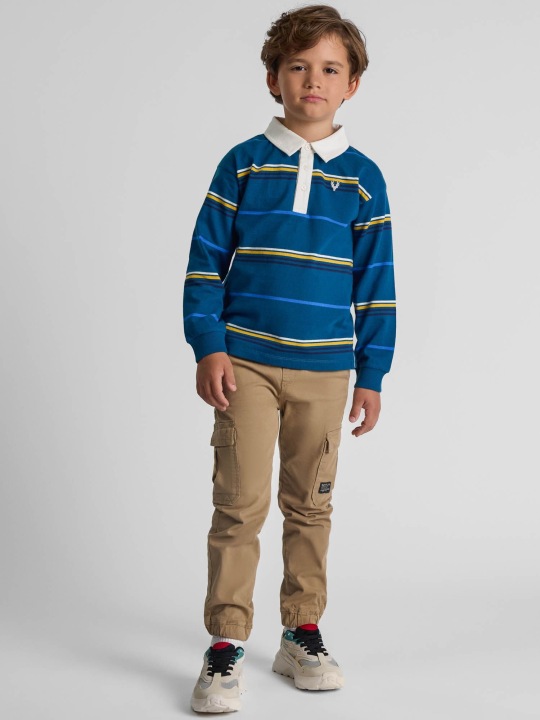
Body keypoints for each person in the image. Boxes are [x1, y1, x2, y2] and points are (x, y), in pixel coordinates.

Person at [183, 4, 396, 713]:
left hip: (327, 373)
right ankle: (225, 644)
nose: (313, 80)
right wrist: (209, 345)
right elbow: (205, 264)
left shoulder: (363, 178)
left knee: (311, 505)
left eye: (330, 69)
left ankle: (301, 632)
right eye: (298, 66)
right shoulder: (242, 163)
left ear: (352, 85)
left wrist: (373, 373)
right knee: (238, 506)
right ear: (273, 77)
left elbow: (377, 283)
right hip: (244, 366)